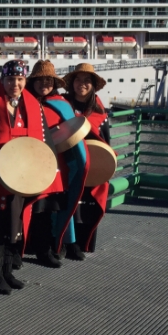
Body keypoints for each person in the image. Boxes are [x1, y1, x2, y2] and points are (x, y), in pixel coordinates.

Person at [0, 60, 63, 294]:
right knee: (0, 225)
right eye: (10, 79)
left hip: (22, 172)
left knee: (17, 223)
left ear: (25, 80)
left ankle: (8, 271)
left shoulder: (31, 105)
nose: (15, 84)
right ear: (3, 80)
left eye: (20, 80)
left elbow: (42, 140)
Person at [25, 60, 89, 267]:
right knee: (28, 209)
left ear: (54, 83)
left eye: (48, 80)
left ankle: (48, 248)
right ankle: (22, 250)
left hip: (55, 166)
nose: (44, 83)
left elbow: (73, 134)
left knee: (48, 209)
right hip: (29, 163)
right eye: (39, 79)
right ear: (32, 81)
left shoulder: (62, 104)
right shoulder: (23, 102)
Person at [63, 63, 110, 257]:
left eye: (86, 80)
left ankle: (82, 243)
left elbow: (105, 141)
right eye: (78, 79)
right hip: (66, 163)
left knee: (88, 203)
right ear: (72, 83)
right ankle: (65, 243)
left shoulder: (99, 110)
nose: (81, 84)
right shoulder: (63, 105)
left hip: (92, 164)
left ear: (93, 85)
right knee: (66, 203)